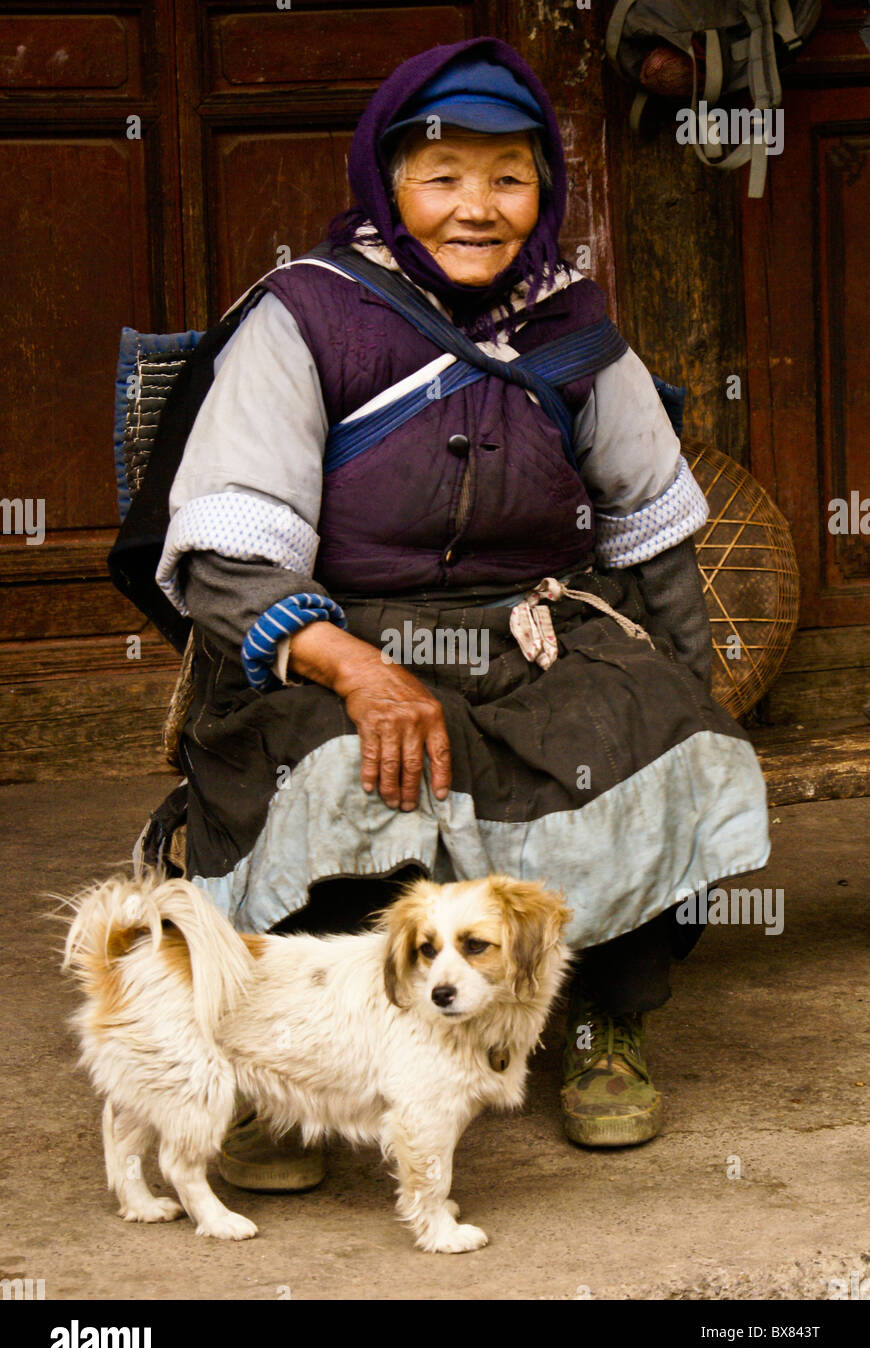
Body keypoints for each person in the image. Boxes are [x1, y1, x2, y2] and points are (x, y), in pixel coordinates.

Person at [153, 37, 770, 1190]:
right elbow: (231, 555)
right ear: (386, 182)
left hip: (534, 626)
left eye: (509, 176)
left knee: (649, 740)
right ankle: (282, 1065)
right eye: (442, 177)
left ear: (545, 191)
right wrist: (348, 664)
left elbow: (652, 527)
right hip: (338, 636)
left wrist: (688, 698)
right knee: (339, 766)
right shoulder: (307, 317)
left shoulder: (576, 332)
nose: (476, 207)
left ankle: (600, 1027)